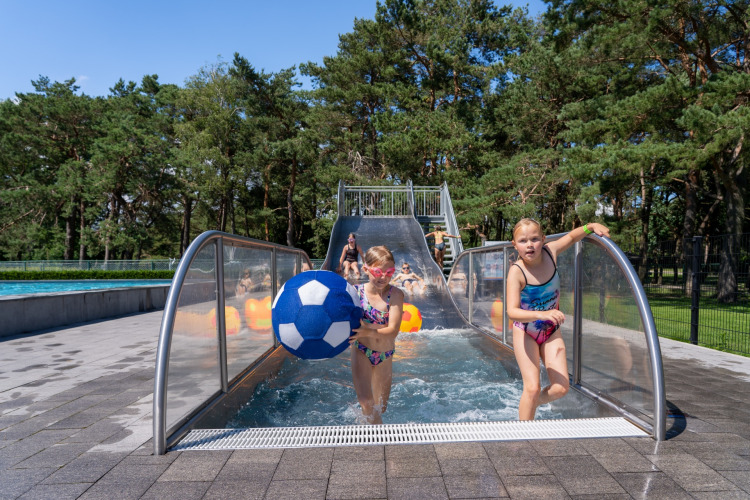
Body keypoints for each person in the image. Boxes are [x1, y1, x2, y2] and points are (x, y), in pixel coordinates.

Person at [506, 218, 610, 420]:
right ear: (514, 245)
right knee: (532, 387)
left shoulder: (550, 253)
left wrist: (590, 227)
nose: (529, 245)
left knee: (561, 388)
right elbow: (512, 311)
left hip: (550, 332)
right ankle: (524, 431)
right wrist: (542, 314)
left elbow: (571, 238)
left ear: (543, 239)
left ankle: (530, 403)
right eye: (523, 241)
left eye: (535, 239)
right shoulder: (516, 272)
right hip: (526, 331)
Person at [349, 246, 404, 424]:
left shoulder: (395, 295)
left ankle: (366, 430)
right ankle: (380, 439)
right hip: (361, 350)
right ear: (366, 269)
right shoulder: (355, 293)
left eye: (389, 272)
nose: (383, 277)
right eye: (378, 272)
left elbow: (393, 331)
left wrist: (367, 330)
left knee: (380, 407)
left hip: (384, 355)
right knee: (366, 402)